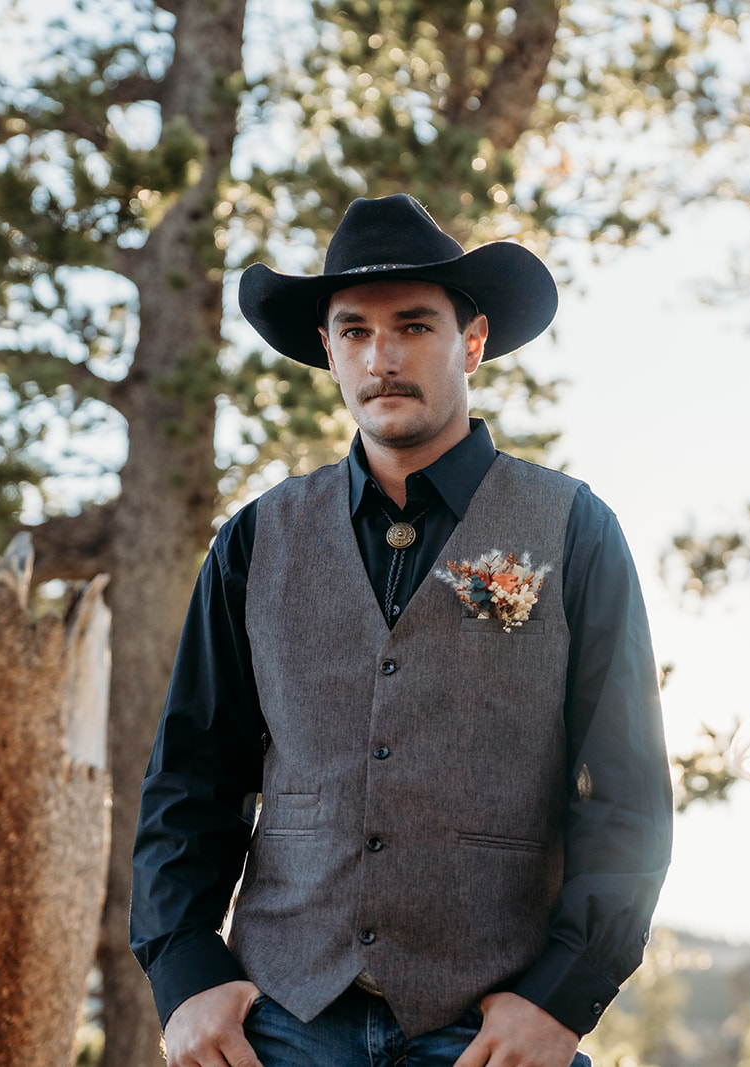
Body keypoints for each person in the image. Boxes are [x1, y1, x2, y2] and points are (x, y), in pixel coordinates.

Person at [130, 193, 673, 1067]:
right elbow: (191, 773)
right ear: (329, 351)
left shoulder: (573, 528)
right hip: (280, 1023)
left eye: (413, 325)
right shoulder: (253, 540)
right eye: (353, 331)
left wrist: (561, 998)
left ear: (474, 340)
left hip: (495, 1032)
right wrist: (185, 970)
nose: (381, 358)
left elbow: (626, 792)